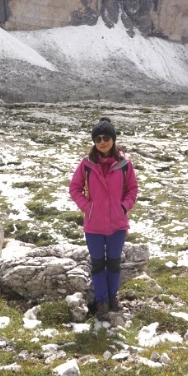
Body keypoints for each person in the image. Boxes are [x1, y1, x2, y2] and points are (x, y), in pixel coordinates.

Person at [69, 117, 138, 321]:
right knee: (98, 264)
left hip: (117, 223)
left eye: (106, 137)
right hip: (94, 225)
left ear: (113, 139)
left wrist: (123, 206)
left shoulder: (125, 164)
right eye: (98, 138)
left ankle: (112, 297)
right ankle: (101, 301)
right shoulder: (87, 164)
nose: (102, 141)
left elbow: (132, 189)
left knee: (114, 263)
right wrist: (87, 207)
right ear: (94, 142)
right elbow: (74, 188)